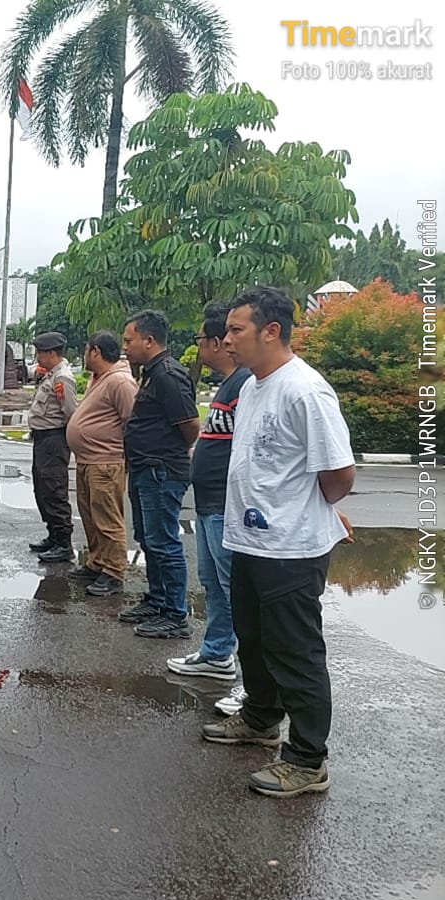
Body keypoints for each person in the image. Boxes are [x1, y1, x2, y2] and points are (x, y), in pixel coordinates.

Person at [201, 286, 355, 798]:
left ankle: (308, 760)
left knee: (295, 651)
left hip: (291, 548)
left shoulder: (305, 391)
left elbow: (339, 473)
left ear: (271, 331)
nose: (226, 340)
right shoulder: (252, 387)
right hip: (249, 540)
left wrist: (316, 508)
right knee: (254, 639)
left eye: (236, 330)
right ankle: (260, 718)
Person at [166, 302, 251, 681]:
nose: (199, 345)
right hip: (209, 504)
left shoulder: (245, 384)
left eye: (201, 338)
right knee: (213, 583)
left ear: (216, 342)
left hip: (226, 504)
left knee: (234, 588)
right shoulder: (229, 385)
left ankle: (254, 682)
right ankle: (216, 654)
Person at [119, 310, 201, 638]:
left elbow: (190, 426)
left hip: (161, 470)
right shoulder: (152, 373)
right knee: (148, 538)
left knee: (164, 542)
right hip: (145, 468)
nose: (125, 347)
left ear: (149, 340)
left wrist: (166, 452)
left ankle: (175, 614)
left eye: (129, 340)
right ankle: (157, 600)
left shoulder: (168, 374)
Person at [64, 330, 137, 596]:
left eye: (86, 350)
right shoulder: (99, 378)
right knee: (90, 516)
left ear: (95, 351)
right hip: (87, 460)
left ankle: (114, 571)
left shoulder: (120, 381)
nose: (84, 355)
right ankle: (97, 562)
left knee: (107, 519)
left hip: (105, 462)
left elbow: (132, 421)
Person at [26, 332, 79, 563]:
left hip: (54, 440)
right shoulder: (50, 375)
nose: (37, 357)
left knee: (54, 489)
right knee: (42, 489)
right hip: (42, 439)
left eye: (40, 352)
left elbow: (71, 414)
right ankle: (53, 535)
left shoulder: (62, 378)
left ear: (51, 353)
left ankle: (63, 543)